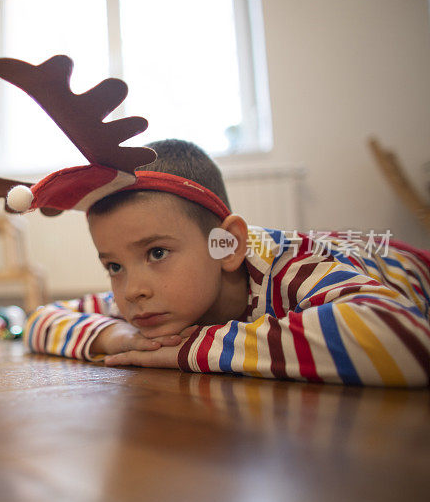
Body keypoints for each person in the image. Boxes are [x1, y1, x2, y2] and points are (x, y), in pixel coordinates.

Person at [24, 139, 430, 387]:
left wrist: (188, 349)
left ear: (227, 245)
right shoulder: (152, 301)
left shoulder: (294, 267)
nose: (132, 290)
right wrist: (119, 338)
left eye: (157, 253)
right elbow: (42, 319)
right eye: (114, 266)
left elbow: (408, 341)